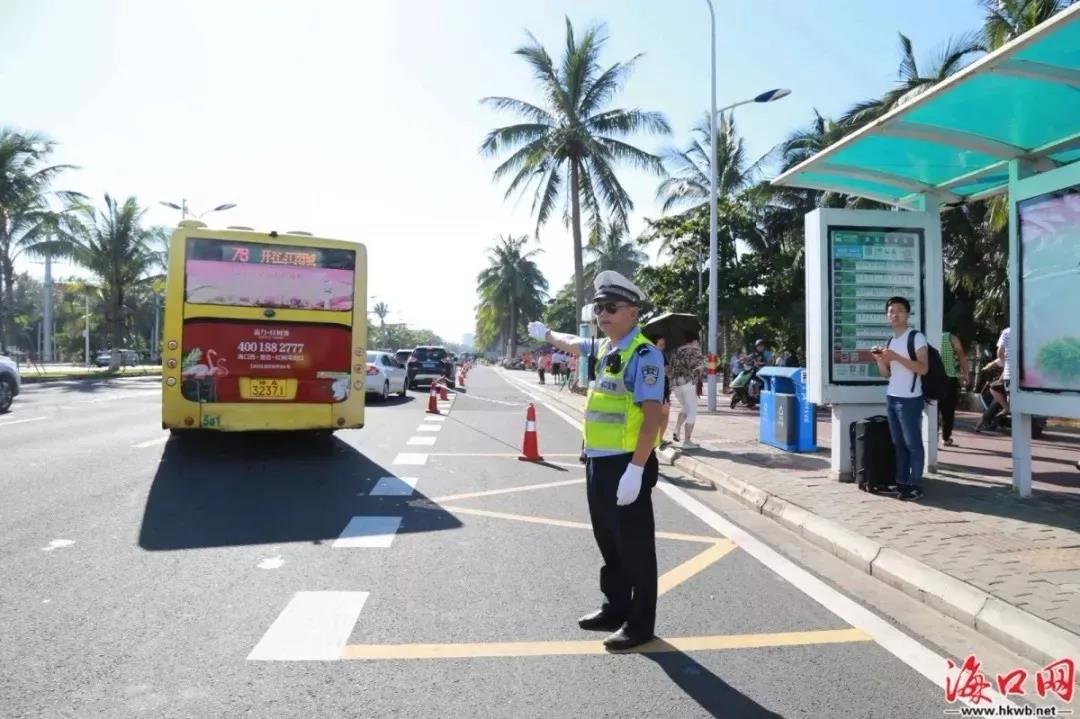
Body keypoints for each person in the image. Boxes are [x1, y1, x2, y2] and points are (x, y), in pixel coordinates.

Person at [527, 270, 664, 651]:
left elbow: (652, 417)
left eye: (611, 307)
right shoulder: (607, 348)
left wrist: (636, 469)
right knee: (609, 542)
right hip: (598, 462)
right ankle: (615, 607)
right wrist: (547, 334)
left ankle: (641, 624)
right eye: (598, 308)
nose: (603, 314)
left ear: (633, 312)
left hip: (626, 464)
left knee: (636, 547)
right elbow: (573, 342)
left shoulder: (644, 355)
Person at [871, 296, 929, 501]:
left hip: (910, 399)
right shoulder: (891, 341)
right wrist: (880, 360)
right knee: (898, 444)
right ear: (887, 315)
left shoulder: (916, 337)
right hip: (892, 397)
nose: (895, 314)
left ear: (907, 314)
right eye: (891, 311)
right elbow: (886, 374)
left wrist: (896, 357)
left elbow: (923, 368)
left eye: (900, 310)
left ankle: (916, 485)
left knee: (913, 444)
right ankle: (901, 482)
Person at [670, 338, 705, 447]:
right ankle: (687, 441)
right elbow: (700, 368)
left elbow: (670, 368)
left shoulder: (675, 351)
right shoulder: (695, 351)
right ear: (694, 341)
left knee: (685, 407)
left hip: (676, 384)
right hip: (689, 383)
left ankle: (677, 429)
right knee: (692, 411)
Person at [939, 330, 970, 446]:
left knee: (932, 408)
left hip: (932, 378)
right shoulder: (951, 338)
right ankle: (946, 437)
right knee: (948, 410)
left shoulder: (925, 334)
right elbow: (961, 356)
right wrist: (966, 374)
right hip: (949, 377)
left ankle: (930, 438)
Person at [655, 337, 673, 446]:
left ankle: (658, 439)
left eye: (663, 345)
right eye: (660, 345)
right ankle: (658, 439)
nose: (663, 347)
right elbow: (667, 371)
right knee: (664, 414)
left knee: (662, 413)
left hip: (662, 388)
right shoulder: (659, 355)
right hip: (660, 388)